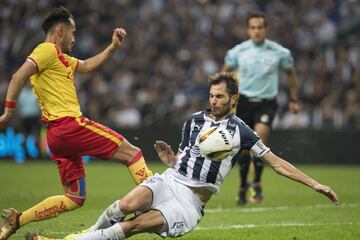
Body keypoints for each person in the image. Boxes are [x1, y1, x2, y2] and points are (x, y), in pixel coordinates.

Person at [30, 72, 338, 240]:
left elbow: (275, 162)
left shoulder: (241, 131)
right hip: (170, 180)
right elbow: (184, 160)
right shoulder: (192, 121)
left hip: (190, 202)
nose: (213, 100)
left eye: (220, 96)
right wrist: (171, 160)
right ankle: (85, 236)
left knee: (133, 226)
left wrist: (315, 184)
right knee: (123, 206)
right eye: (211, 95)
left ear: (232, 99)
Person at [0, 6, 153, 240]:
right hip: (70, 125)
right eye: (73, 32)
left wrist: (112, 47)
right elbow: (18, 76)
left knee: (74, 198)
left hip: (56, 136)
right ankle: (156, 200)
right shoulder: (46, 50)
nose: (74, 38)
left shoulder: (60, 59)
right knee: (132, 154)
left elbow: (88, 65)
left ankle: (18, 220)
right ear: (60, 31)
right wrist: (8, 113)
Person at [221, 11, 299, 205]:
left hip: (267, 102)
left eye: (260, 27)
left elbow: (291, 74)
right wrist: (223, 95)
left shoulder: (280, 52)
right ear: (248, 30)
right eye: (253, 27)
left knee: (259, 141)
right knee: (245, 149)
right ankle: (242, 186)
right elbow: (224, 72)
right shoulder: (238, 51)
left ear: (266, 29)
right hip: (244, 102)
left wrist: (293, 98)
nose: (256, 31)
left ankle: (256, 183)